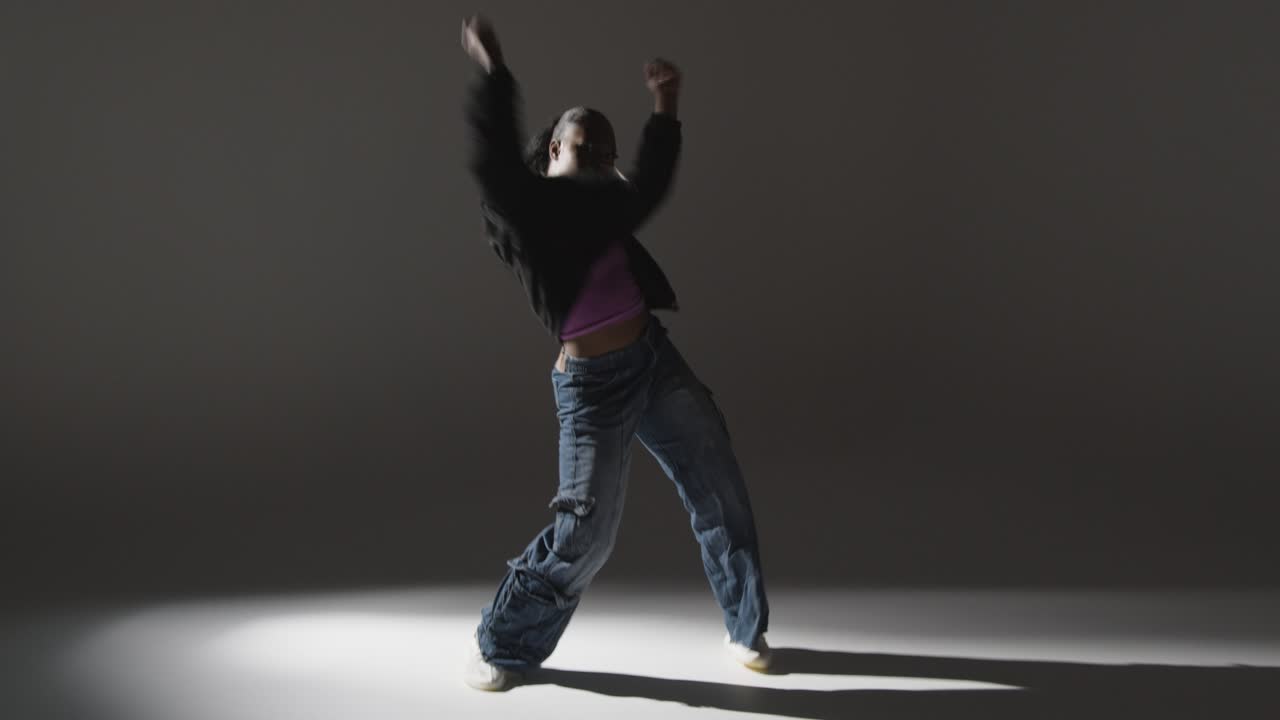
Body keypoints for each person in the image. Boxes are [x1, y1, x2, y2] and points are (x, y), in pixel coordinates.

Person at [459, 14, 771, 691]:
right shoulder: (529, 210)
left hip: (653, 363)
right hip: (594, 389)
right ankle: (504, 642)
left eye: (605, 146)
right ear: (550, 156)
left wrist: (666, 105)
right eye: (582, 142)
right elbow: (491, 159)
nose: (599, 153)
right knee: (586, 537)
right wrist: (495, 71)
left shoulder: (610, 205)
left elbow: (651, 182)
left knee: (718, 484)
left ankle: (747, 628)